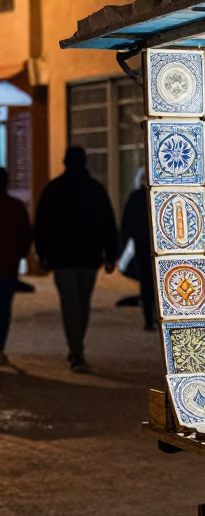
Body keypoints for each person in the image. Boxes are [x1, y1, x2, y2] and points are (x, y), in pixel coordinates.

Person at [34, 146, 118, 372]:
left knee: (70, 305)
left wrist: (42, 254)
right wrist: (110, 255)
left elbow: (41, 226)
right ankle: (77, 348)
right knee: (83, 304)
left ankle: (76, 351)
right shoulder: (95, 190)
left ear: (65, 162)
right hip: (89, 257)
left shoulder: (53, 190)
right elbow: (108, 224)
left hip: (62, 258)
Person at [0, 167, 33, 367]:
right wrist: (22, 254)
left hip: (8, 264)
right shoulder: (16, 207)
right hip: (8, 266)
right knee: (3, 309)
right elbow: (25, 235)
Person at [120, 169, 155, 330]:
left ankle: (149, 318)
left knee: (146, 282)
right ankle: (156, 316)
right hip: (158, 247)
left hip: (142, 245)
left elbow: (126, 224)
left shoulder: (135, 198)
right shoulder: (159, 196)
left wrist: (121, 246)